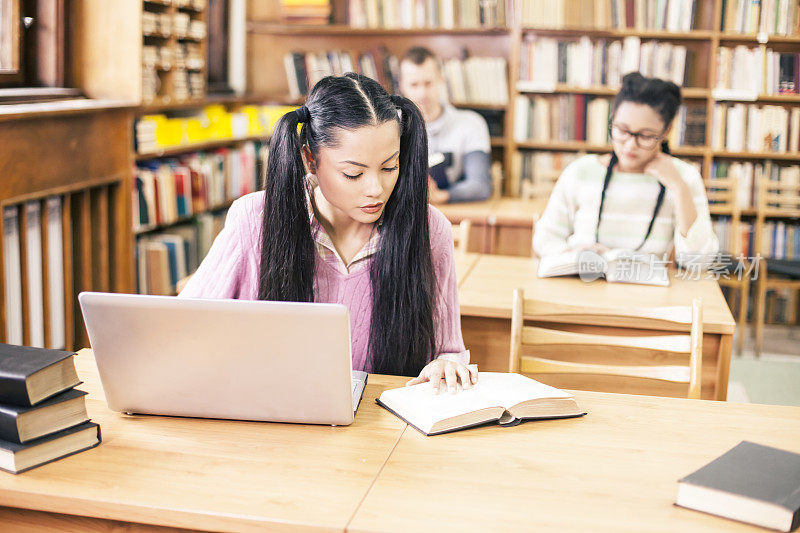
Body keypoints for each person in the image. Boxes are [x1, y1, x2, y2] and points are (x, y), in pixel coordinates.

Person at [179, 73, 476, 393]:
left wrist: (446, 364)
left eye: (389, 167)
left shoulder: (430, 229)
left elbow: (448, 350)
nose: (376, 189)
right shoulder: (254, 219)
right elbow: (183, 329)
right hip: (266, 421)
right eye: (353, 173)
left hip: (382, 431)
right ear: (310, 158)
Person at [532, 72, 718, 267]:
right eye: (621, 130)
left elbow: (699, 262)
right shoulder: (581, 171)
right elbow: (544, 239)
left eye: (645, 136)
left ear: (667, 131)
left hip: (647, 294)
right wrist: (572, 255)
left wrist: (679, 188)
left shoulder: (684, 178)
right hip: (582, 283)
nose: (630, 145)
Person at [399, 46, 492, 204]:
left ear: (441, 79)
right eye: (414, 85)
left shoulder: (472, 123)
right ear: (402, 86)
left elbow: (480, 186)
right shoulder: (389, 126)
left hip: (454, 214)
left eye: (428, 83)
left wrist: (441, 197)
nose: (422, 93)